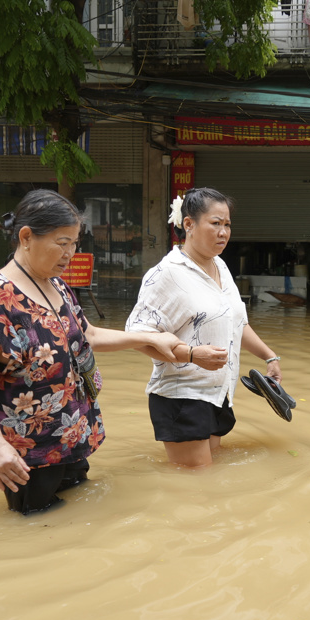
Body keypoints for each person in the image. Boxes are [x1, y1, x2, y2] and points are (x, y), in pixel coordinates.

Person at [0, 189, 182, 514]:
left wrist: (146, 339)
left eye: (75, 243)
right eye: (62, 243)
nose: (70, 254)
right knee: (36, 522)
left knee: (78, 513)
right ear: (26, 237)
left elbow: (88, 335)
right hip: (27, 448)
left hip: (71, 433)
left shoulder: (58, 286)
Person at [125, 187, 283, 469]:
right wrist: (191, 355)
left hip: (218, 393)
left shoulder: (220, 267)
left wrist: (269, 356)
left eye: (227, 224)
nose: (223, 232)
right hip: (182, 397)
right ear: (189, 224)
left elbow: (237, 323)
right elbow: (136, 337)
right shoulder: (166, 274)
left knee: (210, 481)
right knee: (195, 486)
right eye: (215, 223)